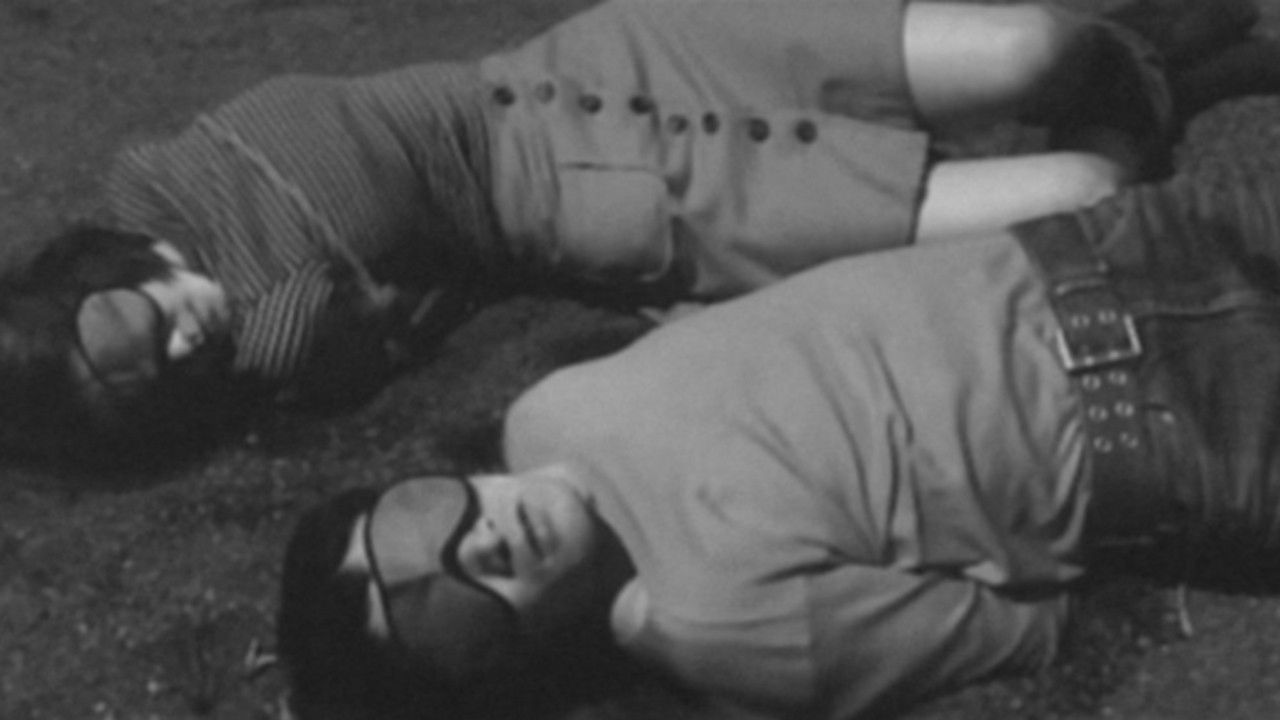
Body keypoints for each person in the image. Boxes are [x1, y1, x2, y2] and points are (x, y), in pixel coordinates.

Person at [276, 147, 1280, 720]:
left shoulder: (548, 412)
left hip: (1122, 243)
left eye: (418, 520)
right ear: (502, 668)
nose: (478, 546)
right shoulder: (715, 627)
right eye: (451, 614)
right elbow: (1022, 628)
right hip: (1184, 436)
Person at [3, 0, 1237, 463]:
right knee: (1086, 190)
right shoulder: (266, 341)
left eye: (120, 328)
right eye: (154, 379)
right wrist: (288, 322)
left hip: (614, 56)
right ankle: (1157, 91)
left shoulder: (157, 180)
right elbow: (350, 320)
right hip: (623, 203)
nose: (176, 342)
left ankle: (1129, 57)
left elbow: (323, 230)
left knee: (1033, 45)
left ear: (85, 273)